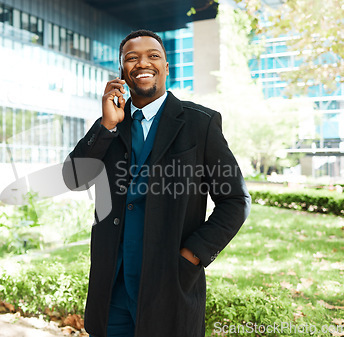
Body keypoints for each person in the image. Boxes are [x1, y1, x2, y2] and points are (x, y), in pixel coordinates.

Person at [62, 29, 251, 337]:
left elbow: (235, 200)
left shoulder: (200, 124)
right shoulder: (111, 124)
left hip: (170, 284)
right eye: (131, 58)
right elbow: (73, 178)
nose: (142, 63)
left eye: (153, 55)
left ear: (166, 67)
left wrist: (194, 254)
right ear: (123, 71)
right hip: (113, 288)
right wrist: (107, 125)